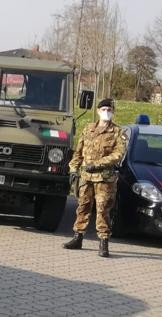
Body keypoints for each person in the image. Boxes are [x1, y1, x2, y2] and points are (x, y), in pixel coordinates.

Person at [63, 98, 127, 257]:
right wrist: (73, 169)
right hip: (86, 177)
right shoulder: (88, 128)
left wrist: (97, 164)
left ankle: (103, 243)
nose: (107, 112)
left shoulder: (117, 132)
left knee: (103, 210)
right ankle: (78, 237)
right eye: (104, 109)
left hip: (104, 179)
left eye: (109, 109)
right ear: (98, 111)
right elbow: (78, 152)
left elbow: (118, 154)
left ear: (113, 112)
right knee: (82, 207)